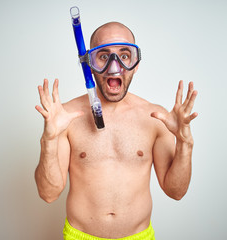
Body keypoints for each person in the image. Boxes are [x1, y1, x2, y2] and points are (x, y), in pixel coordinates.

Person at [35, 22, 198, 240]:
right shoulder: (66, 117)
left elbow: (176, 192)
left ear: (135, 63)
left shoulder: (156, 118)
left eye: (124, 55)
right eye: (104, 56)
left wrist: (185, 144)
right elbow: (48, 194)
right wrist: (49, 140)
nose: (115, 65)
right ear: (89, 64)